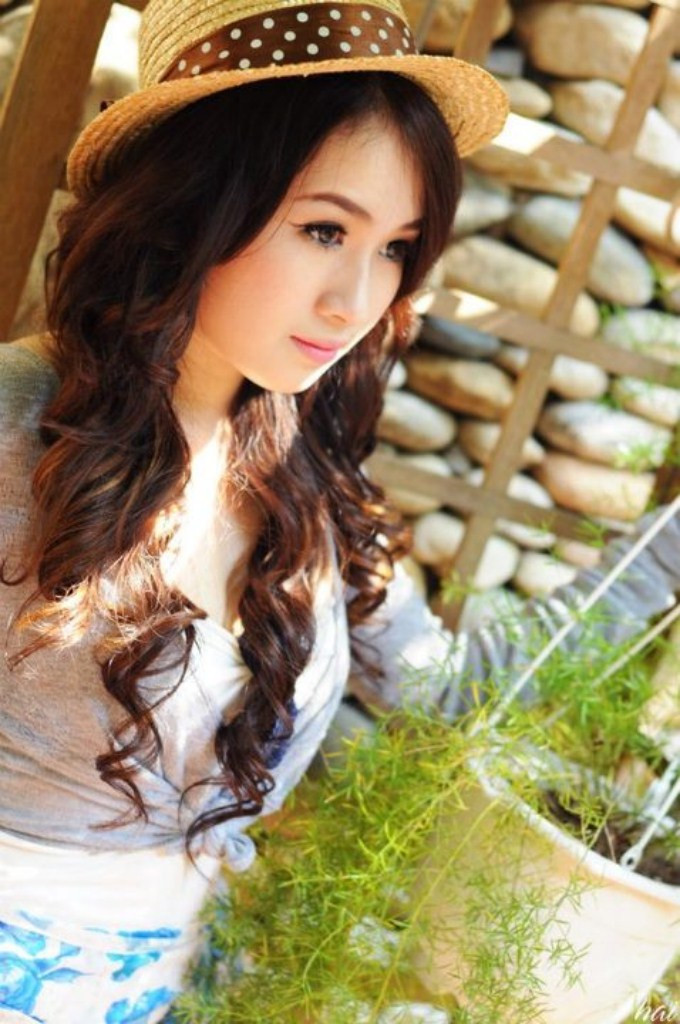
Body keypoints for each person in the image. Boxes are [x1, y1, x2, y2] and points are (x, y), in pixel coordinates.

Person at [1, 0, 680, 1021]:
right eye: (323, 229)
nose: (355, 300)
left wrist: (668, 548)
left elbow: (456, 687)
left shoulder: (301, 485)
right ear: (195, 202)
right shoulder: (18, 428)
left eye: (395, 247)